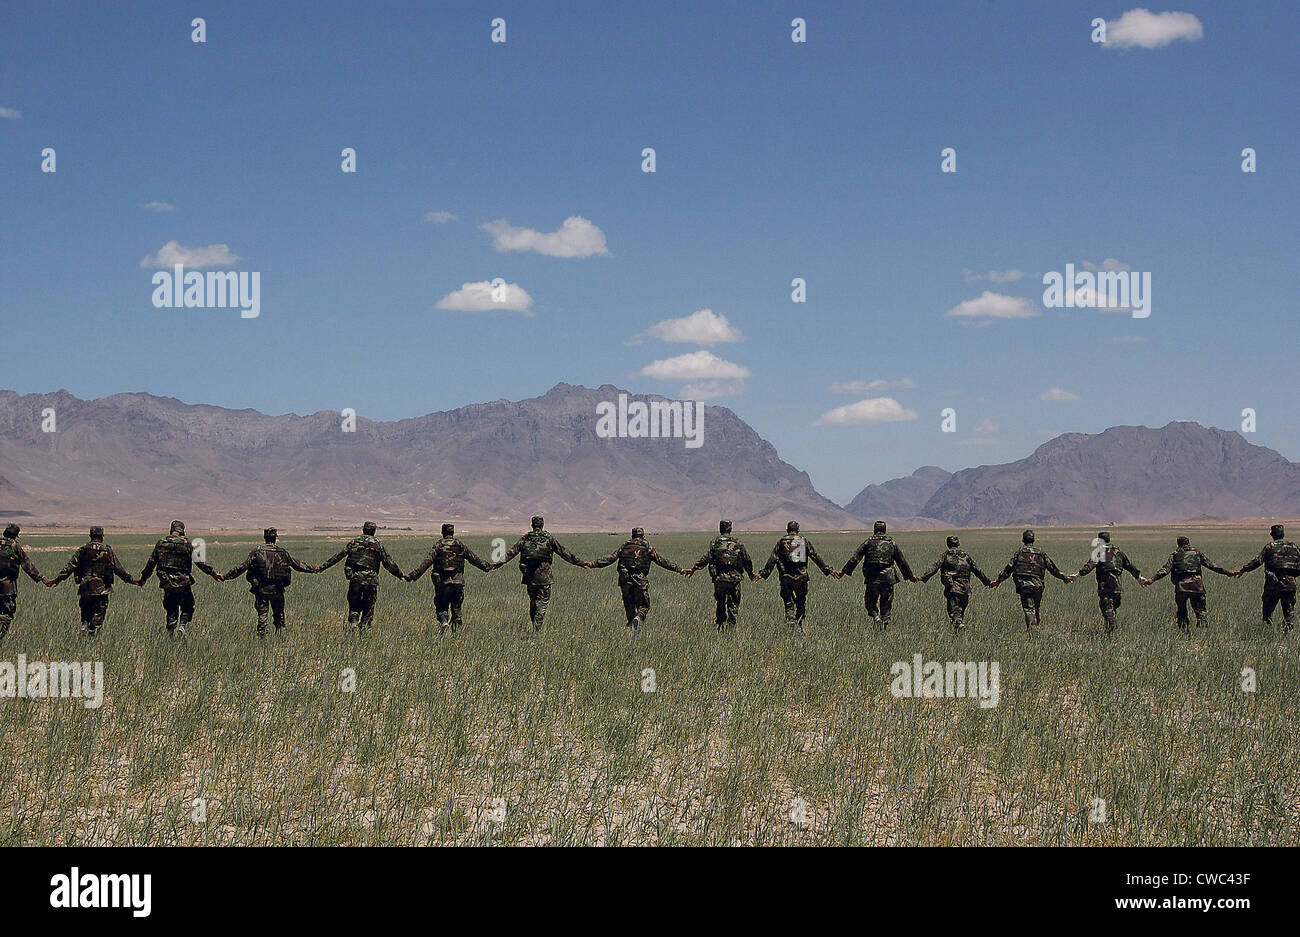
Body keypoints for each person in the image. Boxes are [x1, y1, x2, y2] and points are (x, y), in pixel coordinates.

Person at [215, 527, 317, 636]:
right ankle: (279, 637)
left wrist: (225, 577)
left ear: (265, 537)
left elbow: (241, 568)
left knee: (262, 615)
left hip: (261, 590)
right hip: (278, 590)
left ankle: (262, 638)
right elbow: (298, 565)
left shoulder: (256, 552)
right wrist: (314, 569)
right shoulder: (283, 553)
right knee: (279, 615)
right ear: (275, 538)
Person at [494, 516, 586, 632]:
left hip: (529, 577)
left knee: (533, 602)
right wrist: (580, 563)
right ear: (542, 525)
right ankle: (536, 630)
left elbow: (510, 553)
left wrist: (496, 564)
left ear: (532, 525)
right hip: (544, 577)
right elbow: (564, 553)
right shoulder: (548, 538)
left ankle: (534, 627)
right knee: (542, 604)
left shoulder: (526, 538)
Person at [46, 526, 141, 634]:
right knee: (97, 619)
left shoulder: (83, 549)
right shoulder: (107, 550)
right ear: (102, 536)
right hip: (101, 589)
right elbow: (118, 569)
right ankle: (91, 640)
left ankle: (84, 632)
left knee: (86, 616)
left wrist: (56, 580)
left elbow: (69, 567)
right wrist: (132, 580)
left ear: (90, 535)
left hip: (85, 588)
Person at [405, 523, 496, 633]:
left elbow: (426, 562)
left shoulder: (438, 545)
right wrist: (487, 566)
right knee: (456, 608)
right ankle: (455, 634)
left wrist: (413, 575)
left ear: (442, 533)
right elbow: (474, 559)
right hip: (458, 583)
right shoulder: (460, 545)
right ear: (453, 533)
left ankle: (444, 622)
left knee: (441, 606)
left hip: (443, 583)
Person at [586, 527, 682, 630]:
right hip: (640, 582)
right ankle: (639, 618)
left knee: (629, 610)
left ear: (632, 535)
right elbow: (662, 561)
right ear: (643, 535)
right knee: (644, 606)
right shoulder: (647, 547)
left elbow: (610, 559)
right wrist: (679, 569)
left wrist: (593, 564)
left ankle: (633, 630)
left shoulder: (625, 546)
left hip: (625, 582)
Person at [315, 522, 405, 630]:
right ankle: (364, 632)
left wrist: (322, 567)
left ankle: (353, 623)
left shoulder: (354, 542)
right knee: (369, 607)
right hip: (371, 581)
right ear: (374, 531)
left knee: (354, 605)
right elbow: (389, 563)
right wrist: (400, 574)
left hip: (356, 579)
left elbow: (338, 556)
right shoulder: (377, 544)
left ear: (363, 529)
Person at [756, 521, 840, 632]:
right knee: (801, 602)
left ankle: (791, 627)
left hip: (786, 578)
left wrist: (762, 574)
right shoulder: (804, 541)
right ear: (798, 530)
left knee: (788, 603)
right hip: (801, 579)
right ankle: (799, 626)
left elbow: (772, 560)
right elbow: (815, 557)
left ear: (787, 529)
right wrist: (829, 570)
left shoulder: (781, 542)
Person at [138, 520, 216, 635]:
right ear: (182, 530)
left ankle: (171, 633)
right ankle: (182, 625)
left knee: (171, 608)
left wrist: (143, 578)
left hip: (167, 582)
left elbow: (151, 563)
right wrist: (213, 573)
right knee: (188, 605)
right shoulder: (187, 543)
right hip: (183, 582)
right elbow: (199, 562)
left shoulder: (161, 543)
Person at [1141, 535, 1234, 632]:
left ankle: (1185, 634)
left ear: (1178, 544)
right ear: (1188, 542)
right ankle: (1203, 635)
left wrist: (1151, 579)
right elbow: (1212, 566)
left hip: (1181, 588)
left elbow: (1164, 570)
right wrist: (1228, 572)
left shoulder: (1175, 554)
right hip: (1197, 587)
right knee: (1201, 613)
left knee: (1181, 612)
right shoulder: (1196, 553)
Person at [989, 529, 1073, 634]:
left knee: (1029, 609)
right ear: (1033, 540)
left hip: (1025, 586)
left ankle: (1033, 633)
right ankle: (1035, 627)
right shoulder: (1041, 554)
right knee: (1035, 608)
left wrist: (998, 581)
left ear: (1023, 540)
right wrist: (1065, 578)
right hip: (1038, 586)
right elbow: (1053, 569)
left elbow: (1008, 569)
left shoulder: (1019, 553)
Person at [840, 520, 917, 631]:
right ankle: (884, 628)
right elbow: (902, 561)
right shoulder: (892, 543)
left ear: (874, 530)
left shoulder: (868, 542)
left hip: (872, 579)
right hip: (888, 579)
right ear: (885, 530)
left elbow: (855, 559)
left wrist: (843, 572)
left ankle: (876, 617)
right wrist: (910, 576)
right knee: (886, 604)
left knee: (870, 603)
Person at [685, 520, 757, 630]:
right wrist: (751, 574)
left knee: (720, 603)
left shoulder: (715, 542)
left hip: (720, 579)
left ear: (720, 528)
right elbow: (747, 560)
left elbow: (706, 558)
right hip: (734, 579)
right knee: (733, 606)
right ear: (730, 529)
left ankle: (720, 626)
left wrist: (693, 569)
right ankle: (731, 628)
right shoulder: (737, 542)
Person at [1232, 524, 1300, 633]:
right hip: (1289, 585)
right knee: (1289, 612)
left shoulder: (1270, 547)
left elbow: (1257, 562)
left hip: (1273, 585)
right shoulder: (1294, 547)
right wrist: (1292, 575)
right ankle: (1288, 634)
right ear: (1283, 534)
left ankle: (1267, 632)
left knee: (1267, 612)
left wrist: (1243, 570)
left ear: (1272, 534)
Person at [918, 535, 992, 633]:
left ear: (948, 544)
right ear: (958, 544)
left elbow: (934, 567)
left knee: (954, 613)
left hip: (953, 588)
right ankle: (957, 634)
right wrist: (988, 582)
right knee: (960, 612)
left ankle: (959, 625)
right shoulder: (966, 556)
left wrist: (923, 577)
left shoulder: (946, 555)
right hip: (965, 589)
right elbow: (977, 570)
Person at [1074, 530, 1142, 633]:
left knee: (1107, 610)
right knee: (1112, 609)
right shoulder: (1119, 553)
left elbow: (1088, 567)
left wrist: (1077, 575)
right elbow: (1130, 566)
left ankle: (1112, 632)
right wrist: (1139, 578)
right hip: (1117, 588)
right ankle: (1108, 632)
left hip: (1105, 587)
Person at [0, 523, 47, 641]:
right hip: (8, 586)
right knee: (7, 613)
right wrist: (42, 578)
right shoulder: (15, 547)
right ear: (15, 535)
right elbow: (27, 565)